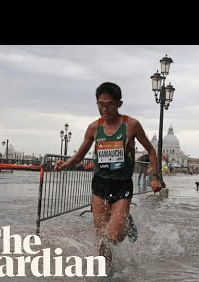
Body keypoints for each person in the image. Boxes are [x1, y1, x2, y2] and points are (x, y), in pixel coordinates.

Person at [54, 82, 162, 261]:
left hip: (122, 186)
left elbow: (151, 150)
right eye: (100, 104)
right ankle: (107, 275)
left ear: (119, 104)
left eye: (108, 104)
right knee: (101, 240)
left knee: (113, 236)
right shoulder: (94, 128)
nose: (104, 109)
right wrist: (65, 164)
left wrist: (155, 177)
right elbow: (80, 155)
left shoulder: (131, 125)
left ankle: (126, 223)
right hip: (100, 184)